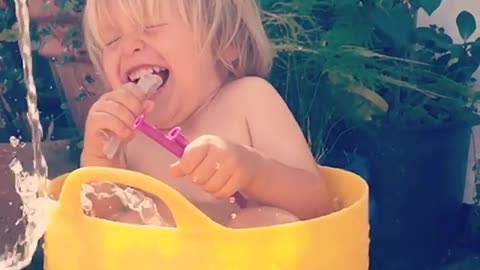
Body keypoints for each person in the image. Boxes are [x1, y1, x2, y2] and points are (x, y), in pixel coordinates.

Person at [80, 0, 333, 228]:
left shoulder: (249, 101)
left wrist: (254, 170)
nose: (128, 47)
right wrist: (100, 157)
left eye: (152, 26)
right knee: (129, 222)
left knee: (268, 222)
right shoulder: (127, 136)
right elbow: (100, 222)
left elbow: (319, 206)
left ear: (226, 41)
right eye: (112, 40)